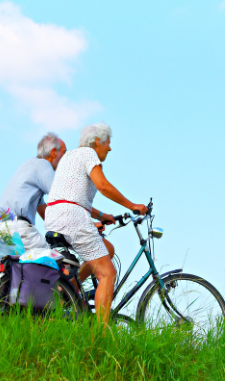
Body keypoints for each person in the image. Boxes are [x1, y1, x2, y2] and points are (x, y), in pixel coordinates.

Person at [45, 123, 147, 324]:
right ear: (98, 142)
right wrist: (132, 205)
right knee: (107, 273)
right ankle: (100, 338)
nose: (109, 148)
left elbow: (71, 196)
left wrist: (101, 216)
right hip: (72, 217)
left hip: (57, 216)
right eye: (108, 143)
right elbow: (103, 185)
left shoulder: (70, 157)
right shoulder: (88, 154)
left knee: (107, 249)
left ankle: (69, 291)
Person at [0, 132, 67, 250]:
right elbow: (63, 197)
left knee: (21, 267)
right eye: (64, 153)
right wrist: (88, 224)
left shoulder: (28, 165)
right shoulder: (43, 165)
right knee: (57, 262)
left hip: (2, 229)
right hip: (18, 228)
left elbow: (45, 212)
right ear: (53, 152)